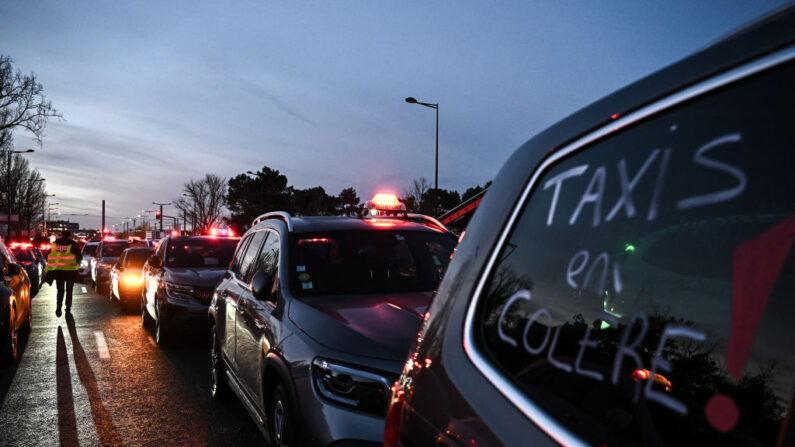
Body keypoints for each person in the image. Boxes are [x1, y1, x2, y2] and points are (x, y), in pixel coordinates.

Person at [45, 230, 82, 317]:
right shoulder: (74, 244)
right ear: (70, 235)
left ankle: (58, 307)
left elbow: (48, 256)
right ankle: (68, 308)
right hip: (70, 271)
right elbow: (79, 257)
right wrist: (77, 265)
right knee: (69, 291)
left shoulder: (55, 244)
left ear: (61, 235)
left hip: (58, 271)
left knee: (60, 291)